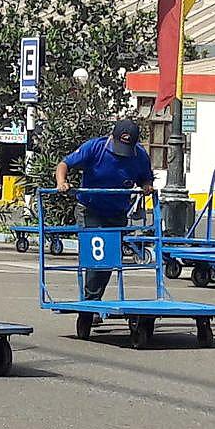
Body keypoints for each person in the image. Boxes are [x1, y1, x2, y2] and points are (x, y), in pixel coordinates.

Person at [55, 119, 154, 315]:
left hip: (117, 212)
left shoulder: (140, 155)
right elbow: (63, 164)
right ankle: (90, 302)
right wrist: (62, 182)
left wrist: (147, 185)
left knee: (109, 260)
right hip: (90, 208)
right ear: (112, 137)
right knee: (95, 256)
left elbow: (146, 177)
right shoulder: (95, 147)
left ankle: (94, 300)